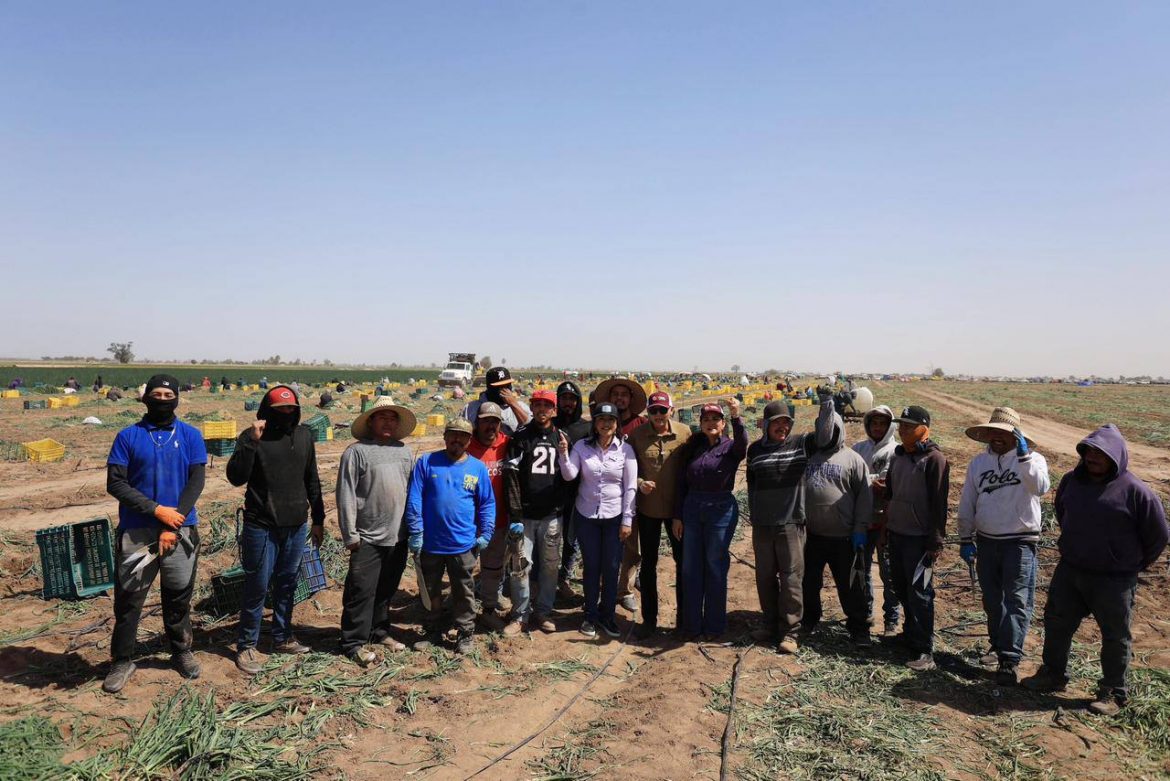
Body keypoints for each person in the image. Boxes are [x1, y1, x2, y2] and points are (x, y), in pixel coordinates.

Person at [1023, 425, 1168, 715]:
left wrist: (1132, 564)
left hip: (1114, 580)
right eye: (1088, 451)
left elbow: (1158, 536)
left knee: (1115, 635)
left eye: (1100, 453)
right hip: (1071, 570)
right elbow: (1064, 513)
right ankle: (1053, 674)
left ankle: (1113, 692)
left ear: (1116, 456)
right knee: (1056, 623)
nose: (1092, 457)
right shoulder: (1071, 482)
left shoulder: (1136, 492)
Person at [102, 374, 207, 693]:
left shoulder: (190, 435)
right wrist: (156, 510)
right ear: (145, 398)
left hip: (180, 529)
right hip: (137, 532)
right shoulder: (128, 436)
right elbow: (116, 483)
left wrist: (172, 521)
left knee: (178, 596)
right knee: (130, 599)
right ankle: (122, 659)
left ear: (177, 399)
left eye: (168, 395)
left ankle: (181, 651)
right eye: (156, 394)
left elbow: (196, 481)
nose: (162, 399)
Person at [226, 386, 326, 674]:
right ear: (266, 410)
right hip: (261, 525)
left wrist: (318, 519)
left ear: (296, 410)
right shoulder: (252, 436)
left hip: (296, 525)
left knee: (287, 584)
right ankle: (246, 645)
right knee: (257, 586)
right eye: (278, 409)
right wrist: (250, 443)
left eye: (289, 409)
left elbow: (313, 481)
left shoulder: (305, 436)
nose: (284, 413)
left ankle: (282, 637)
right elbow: (235, 478)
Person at [957, 407, 1050, 686]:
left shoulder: (1033, 460)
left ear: (1016, 436)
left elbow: (1040, 487)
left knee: (1017, 601)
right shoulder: (978, 463)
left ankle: (1009, 660)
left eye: (1004, 433)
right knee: (992, 599)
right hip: (987, 541)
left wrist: (1024, 457)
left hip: (1020, 543)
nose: (997, 438)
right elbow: (968, 500)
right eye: (993, 432)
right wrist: (965, 537)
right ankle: (997, 646)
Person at [335, 397, 417, 666]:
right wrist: (350, 535)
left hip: (398, 535)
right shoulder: (357, 452)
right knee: (361, 590)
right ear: (370, 421)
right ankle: (353, 642)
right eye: (382, 417)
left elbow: (410, 491)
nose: (388, 422)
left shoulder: (405, 452)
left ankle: (379, 631)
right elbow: (345, 493)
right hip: (367, 536)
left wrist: (414, 529)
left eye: (393, 418)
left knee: (386, 589)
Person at [746, 399, 833, 653]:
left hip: (791, 524)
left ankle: (790, 632)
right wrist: (756, 514)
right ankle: (769, 624)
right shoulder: (754, 450)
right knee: (764, 578)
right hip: (762, 526)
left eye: (786, 423)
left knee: (791, 580)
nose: (782, 427)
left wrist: (827, 405)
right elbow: (752, 483)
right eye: (777, 423)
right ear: (767, 425)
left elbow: (825, 436)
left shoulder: (800, 444)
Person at [404, 418, 495, 654]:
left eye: (462, 436)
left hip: (462, 545)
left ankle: (465, 633)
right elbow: (414, 498)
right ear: (445, 437)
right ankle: (433, 630)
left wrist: (486, 532)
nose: (457, 439)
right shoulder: (427, 462)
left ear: (469, 440)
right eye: (453, 435)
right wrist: (416, 530)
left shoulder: (476, 468)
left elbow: (486, 504)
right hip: (430, 544)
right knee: (431, 590)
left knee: (463, 592)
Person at [557, 402, 637, 639]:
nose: (606, 424)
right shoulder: (582, 446)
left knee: (611, 568)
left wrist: (627, 520)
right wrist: (563, 453)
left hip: (614, 517)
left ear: (616, 424)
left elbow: (630, 486)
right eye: (601, 419)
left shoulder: (626, 450)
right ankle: (590, 615)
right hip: (587, 516)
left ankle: (608, 615)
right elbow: (570, 474)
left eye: (610, 420)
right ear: (594, 423)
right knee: (591, 567)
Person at [802, 399, 874, 646]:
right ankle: (809, 619)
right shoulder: (809, 457)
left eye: (831, 431)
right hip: (812, 536)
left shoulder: (853, 460)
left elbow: (865, 498)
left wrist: (860, 529)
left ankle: (859, 627)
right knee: (809, 582)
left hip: (844, 537)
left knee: (851, 585)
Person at [884, 405, 950, 671]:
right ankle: (909, 635)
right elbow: (889, 495)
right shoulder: (898, 457)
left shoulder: (934, 460)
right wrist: (885, 530)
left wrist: (935, 541)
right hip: (897, 534)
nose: (903, 431)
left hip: (919, 540)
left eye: (909, 427)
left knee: (920, 593)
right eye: (901, 426)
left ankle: (924, 650)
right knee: (901, 588)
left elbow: (939, 504)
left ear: (924, 429)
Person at [676, 398, 747, 640]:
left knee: (715, 566)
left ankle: (715, 626)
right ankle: (692, 626)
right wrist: (678, 516)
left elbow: (744, 445)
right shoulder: (694, 448)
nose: (710, 423)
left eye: (715, 419)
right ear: (700, 424)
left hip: (720, 509)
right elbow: (682, 483)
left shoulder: (731, 448)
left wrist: (737, 415)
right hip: (693, 508)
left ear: (723, 423)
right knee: (690, 567)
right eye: (706, 419)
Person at [627, 391, 691, 639]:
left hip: (677, 513)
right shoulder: (637, 436)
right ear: (648, 413)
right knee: (649, 566)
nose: (657, 416)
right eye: (653, 411)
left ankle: (684, 620)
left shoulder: (685, 433)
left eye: (662, 411)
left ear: (671, 411)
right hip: (649, 511)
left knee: (683, 564)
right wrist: (640, 481)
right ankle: (649, 620)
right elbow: (627, 469)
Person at [501, 389, 566, 634]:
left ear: (554, 410)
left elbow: (567, 474)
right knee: (520, 566)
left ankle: (543, 611)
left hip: (551, 515)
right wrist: (515, 515)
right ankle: (520, 615)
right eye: (537, 405)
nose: (542, 410)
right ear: (531, 407)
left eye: (547, 405)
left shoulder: (561, 437)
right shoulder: (520, 438)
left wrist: (560, 506)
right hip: (525, 517)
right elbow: (511, 477)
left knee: (550, 566)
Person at [593, 378, 648, 611]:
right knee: (604, 545)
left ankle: (624, 590)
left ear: (631, 399)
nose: (619, 398)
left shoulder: (641, 425)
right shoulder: (600, 425)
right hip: (605, 497)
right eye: (615, 394)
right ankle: (603, 589)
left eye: (624, 394)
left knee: (632, 546)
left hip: (636, 494)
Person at [852, 405, 902, 638]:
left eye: (883, 423)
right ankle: (865, 613)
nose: (878, 427)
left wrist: (869, 481)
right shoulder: (858, 449)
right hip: (862, 521)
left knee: (888, 572)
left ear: (890, 425)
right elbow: (851, 479)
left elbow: (892, 483)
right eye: (874, 423)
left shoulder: (897, 451)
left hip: (887, 522)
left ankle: (891, 619)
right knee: (861, 570)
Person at [464, 403, 513, 633]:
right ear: (477, 423)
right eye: (485, 421)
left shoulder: (507, 444)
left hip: (499, 520)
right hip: (468, 523)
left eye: (495, 421)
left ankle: (489, 609)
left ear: (500, 424)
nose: (490, 426)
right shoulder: (466, 446)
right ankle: (463, 612)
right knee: (464, 569)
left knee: (493, 568)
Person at [554, 380, 592, 600]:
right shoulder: (550, 425)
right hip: (551, 492)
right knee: (550, 540)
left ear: (578, 402)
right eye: (564, 398)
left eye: (572, 399)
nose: (567, 403)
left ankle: (565, 579)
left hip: (577, 493)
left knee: (571, 539)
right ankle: (542, 581)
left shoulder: (586, 428)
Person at [460, 367, 530, 435]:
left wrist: (513, 404)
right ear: (489, 387)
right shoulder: (471, 408)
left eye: (507, 385)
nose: (505, 390)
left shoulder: (521, 407)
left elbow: (532, 430)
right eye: (500, 387)